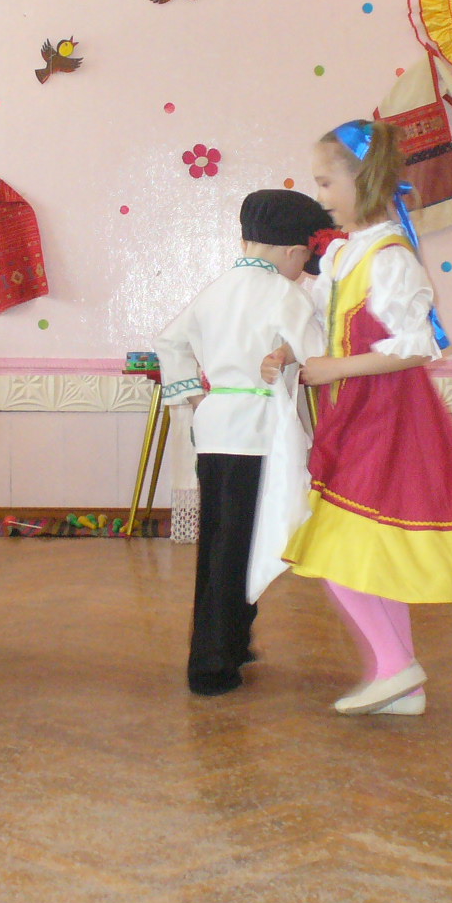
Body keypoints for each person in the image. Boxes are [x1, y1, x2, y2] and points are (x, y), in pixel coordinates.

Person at [278, 119, 452, 716]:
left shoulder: (389, 258)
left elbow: (417, 347)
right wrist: (289, 351)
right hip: (356, 416)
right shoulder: (345, 253)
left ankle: (396, 666)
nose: (319, 195)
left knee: (336, 550)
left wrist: (335, 369)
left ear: (363, 180)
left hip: (386, 418)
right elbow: (323, 318)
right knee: (375, 550)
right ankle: (403, 686)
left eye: (325, 182)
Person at [156, 189, 333, 696]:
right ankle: (213, 661)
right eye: (304, 259)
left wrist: (194, 397)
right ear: (293, 251)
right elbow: (318, 355)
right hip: (258, 431)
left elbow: (169, 341)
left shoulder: (216, 290)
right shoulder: (285, 294)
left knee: (219, 541)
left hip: (215, 425)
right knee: (245, 543)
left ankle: (230, 640)